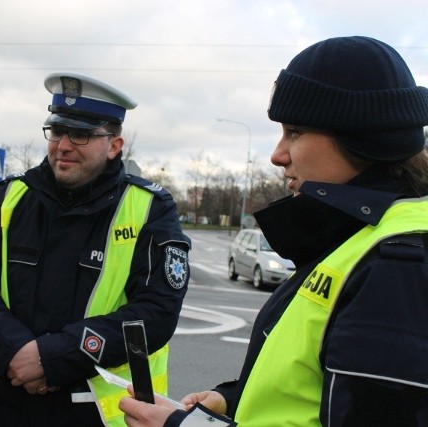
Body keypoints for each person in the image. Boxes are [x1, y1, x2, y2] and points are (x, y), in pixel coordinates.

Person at [119, 36, 428, 426]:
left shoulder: (396, 268)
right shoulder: (356, 240)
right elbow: (308, 389)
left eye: (295, 131)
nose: (278, 154)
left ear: (360, 136)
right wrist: (232, 398)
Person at [0, 72, 191, 426]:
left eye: (80, 134)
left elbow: (156, 313)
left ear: (113, 145)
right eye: (57, 130)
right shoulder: (13, 197)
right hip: (1, 406)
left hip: (94, 413)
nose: (63, 145)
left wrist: (51, 358)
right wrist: (18, 352)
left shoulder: (149, 209)